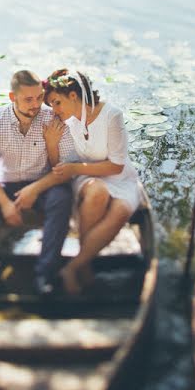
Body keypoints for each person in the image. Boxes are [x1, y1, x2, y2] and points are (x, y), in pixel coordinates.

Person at [0, 69, 77, 295]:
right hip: (8, 185)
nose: (36, 104)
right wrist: (5, 204)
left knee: (62, 199)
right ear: (12, 97)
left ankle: (46, 274)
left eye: (38, 98)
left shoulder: (53, 120)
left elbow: (64, 170)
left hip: (44, 185)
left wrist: (34, 190)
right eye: (28, 99)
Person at [42, 69, 142, 295]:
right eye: (51, 105)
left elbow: (116, 166)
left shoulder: (111, 115)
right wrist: (51, 143)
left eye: (57, 102)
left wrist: (74, 168)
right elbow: (59, 168)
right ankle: (84, 267)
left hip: (119, 175)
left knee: (121, 211)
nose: (55, 110)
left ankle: (75, 266)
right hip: (86, 176)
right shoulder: (65, 122)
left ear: (74, 96)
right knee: (97, 192)